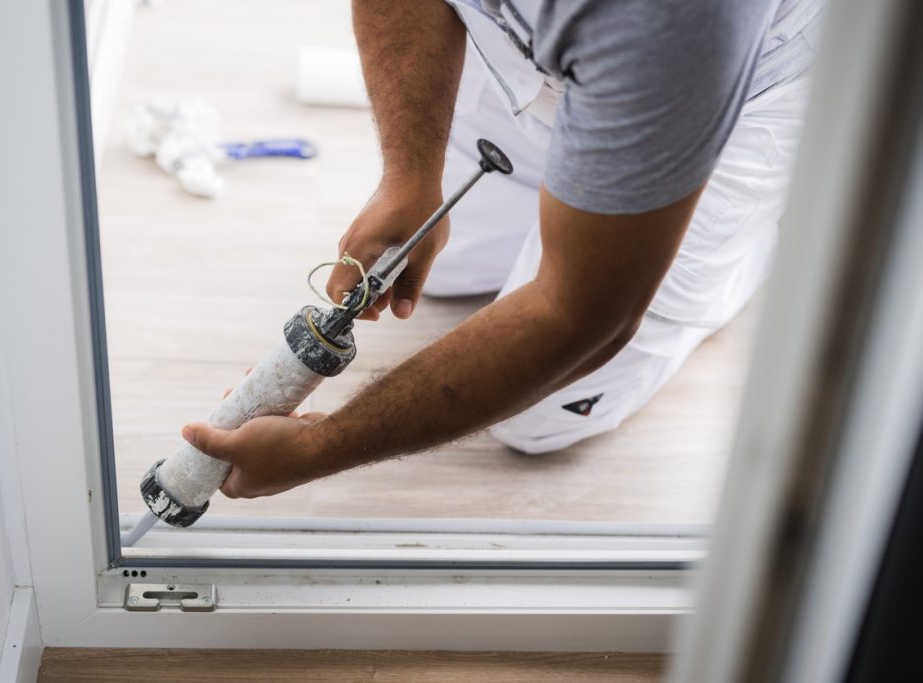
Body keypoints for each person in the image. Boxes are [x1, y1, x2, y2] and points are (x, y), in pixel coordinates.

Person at [181, 0, 825, 497]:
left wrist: (321, 449)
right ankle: (588, 201)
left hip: (725, 108)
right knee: (441, 266)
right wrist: (409, 176)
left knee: (535, 418)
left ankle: (740, 242)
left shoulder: (667, 23)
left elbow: (580, 320)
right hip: (556, 57)